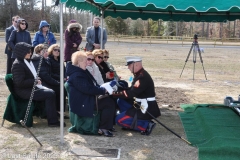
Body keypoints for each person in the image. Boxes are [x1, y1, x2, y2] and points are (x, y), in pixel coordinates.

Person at [11, 42, 64, 127]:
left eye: (31, 51)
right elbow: (19, 83)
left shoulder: (26, 61)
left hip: (30, 87)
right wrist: (34, 81)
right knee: (50, 94)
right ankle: (52, 121)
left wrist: (37, 79)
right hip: (23, 91)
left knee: (51, 92)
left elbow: (33, 75)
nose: (30, 53)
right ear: (21, 52)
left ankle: (50, 116)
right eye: (28, 52)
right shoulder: (18, 64)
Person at [66, 51, 116, 137]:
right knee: (108, 103)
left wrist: (102, 88)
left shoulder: (81, 71)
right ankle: (103, 128)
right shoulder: (77, 74)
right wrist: (103, 90)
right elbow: (87, 89)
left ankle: (107, 126)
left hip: (86, 97)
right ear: (79, 62)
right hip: (83, 101)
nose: (87, 63)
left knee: (110, 100)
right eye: (85, 61)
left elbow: (93, 84)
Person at [112, 56, 161, 135]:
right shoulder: (139, 74)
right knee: (121, 101)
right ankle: (133, 121)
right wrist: (117, 92)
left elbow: (131, 93)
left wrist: (113, 93)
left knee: (118, 120)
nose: (128, 67)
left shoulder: (142, 77)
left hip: (146, 107)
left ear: (136, 64)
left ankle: (146, 125)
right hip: (140, 103)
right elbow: (131, 90)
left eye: (129, 65)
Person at [31, 44, 66, 119]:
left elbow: (49, 74)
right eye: (44, 51)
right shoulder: (39, 61)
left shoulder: (44, 60)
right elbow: (45, 76)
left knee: (61, 88)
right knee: (60, 88)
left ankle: (59, 111)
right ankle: (58, 111)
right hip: (40, 84)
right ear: (39, 52)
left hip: (44, 82)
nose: (46, 52)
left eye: (47, 51)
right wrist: (57, 83)